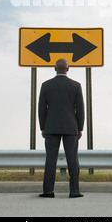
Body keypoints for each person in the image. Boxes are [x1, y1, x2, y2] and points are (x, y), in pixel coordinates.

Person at [38, 58, 85, 198]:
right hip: (71, 127)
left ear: (54, 68)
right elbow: (80, 109)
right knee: (72, 160)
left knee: (50, 160)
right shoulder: (76, 85)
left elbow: (41, 109)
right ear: (68, 68)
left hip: (51, 127)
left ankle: (48, 191)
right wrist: (80, 128)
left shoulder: (46, 85)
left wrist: (43, 127)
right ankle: (74, 191)